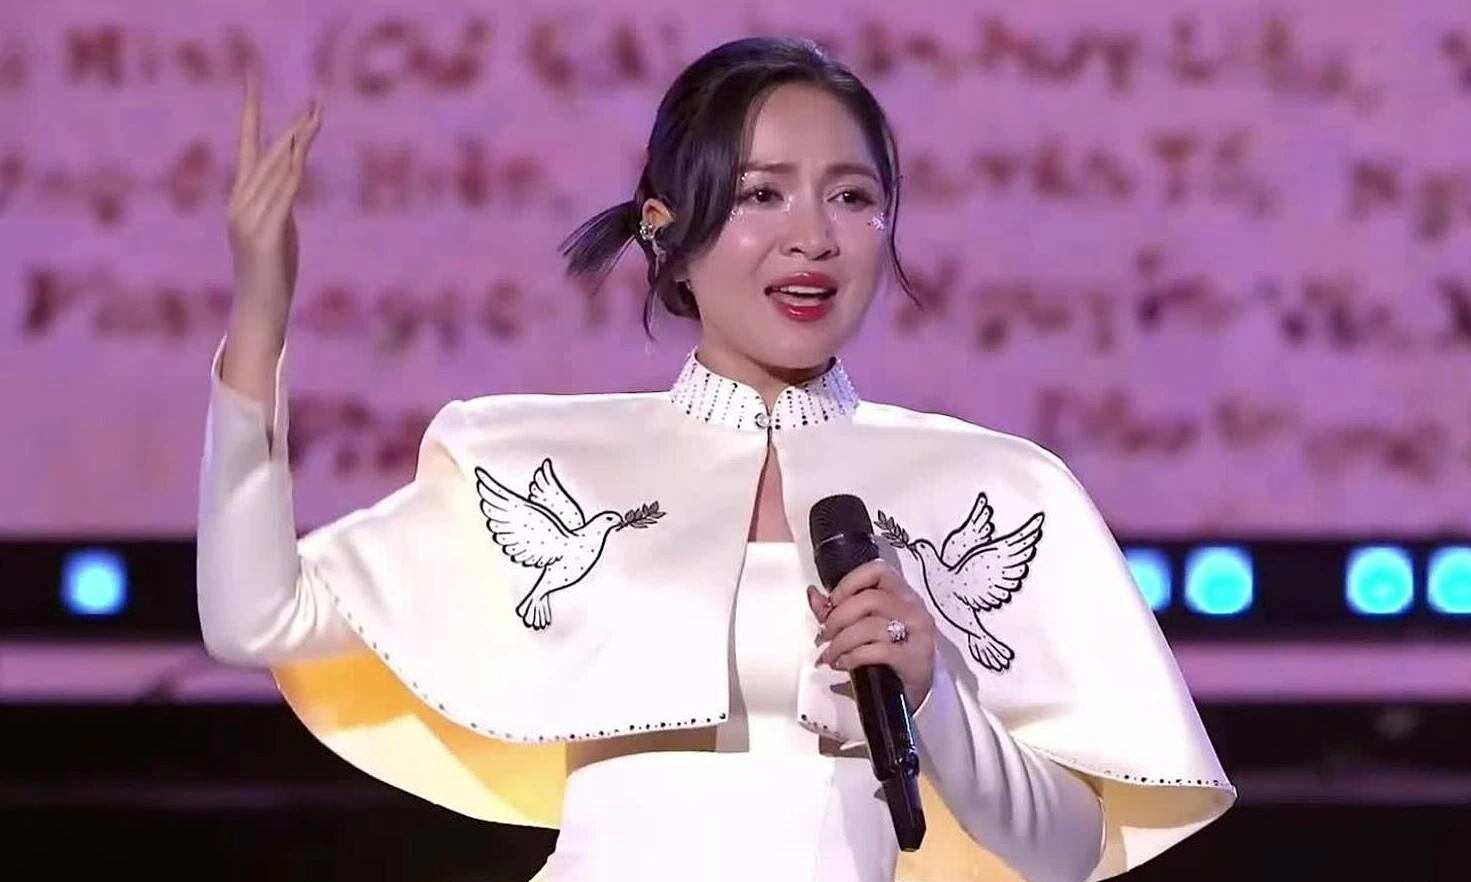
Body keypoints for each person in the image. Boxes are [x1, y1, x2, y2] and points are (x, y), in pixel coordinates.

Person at [198, 36, 1234, 882]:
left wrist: (934, 697)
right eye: (761, 196)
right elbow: (256, 620)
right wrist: (259, 317)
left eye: (851, 197)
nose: (812, 238)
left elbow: (1067, 853)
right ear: (667, 230)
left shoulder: (994, 488)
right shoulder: (537, 456)